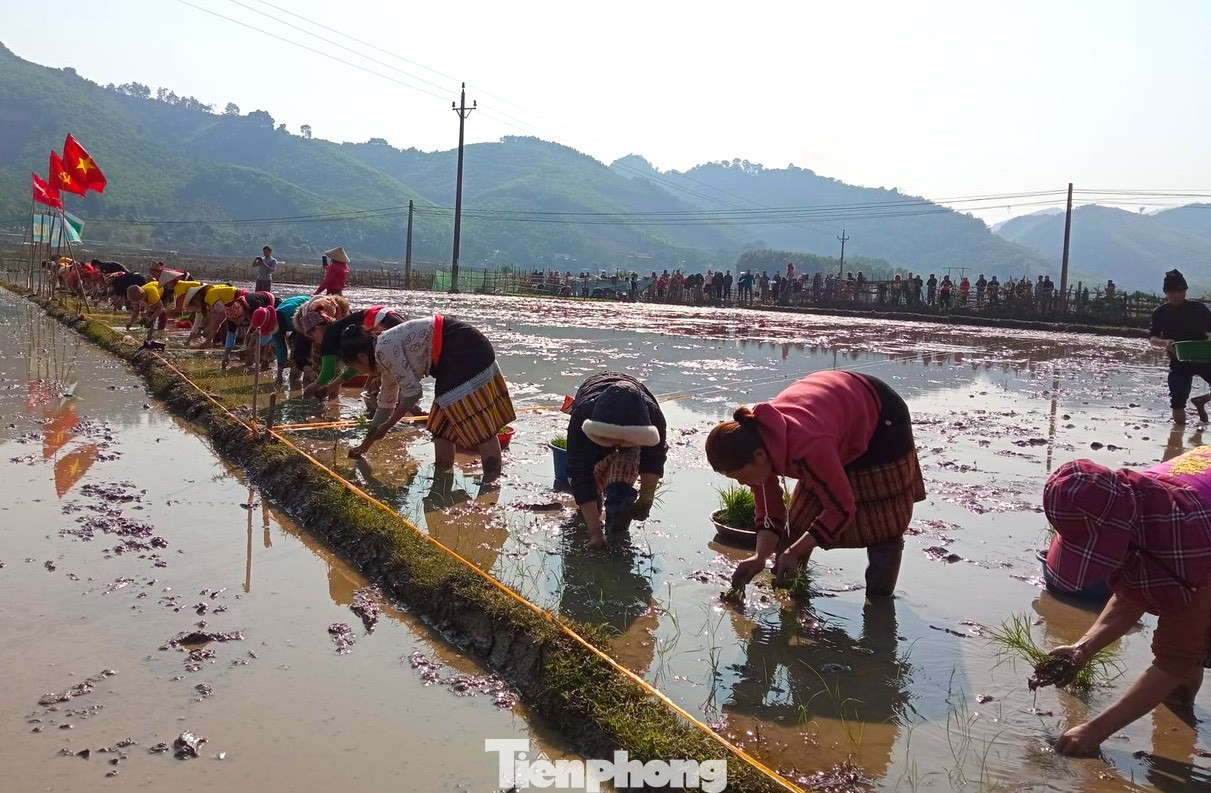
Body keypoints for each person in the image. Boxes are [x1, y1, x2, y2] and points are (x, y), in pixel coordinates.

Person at [1040, 450, 1211, 756]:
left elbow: (1175, 659)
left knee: (1191, 647)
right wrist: (1082, 649)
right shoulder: (1129, 500)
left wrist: (1095, 730)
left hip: (1202, 536)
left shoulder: (1184, 540)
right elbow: (1135, 589)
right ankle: (1176, 731)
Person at [705, 371, 925, 595]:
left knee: (883, 527)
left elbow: (841, 508)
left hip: (881, 418)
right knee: (797, 526)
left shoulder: (807, 446)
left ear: (760, 456)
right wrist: (759, 557)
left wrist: (795, 552)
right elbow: (770, 508)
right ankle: (791, 591)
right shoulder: (756, 443)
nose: (743, 483)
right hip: (832, 414)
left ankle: (879, 607)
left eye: (741, 476)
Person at [336, 314, 516, 483]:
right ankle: (442, 478)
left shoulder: (384, 349)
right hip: (451, 360)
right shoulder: (382, 358)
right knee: (441, 427)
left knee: (478, 426)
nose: (361, 373)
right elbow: (385, 405)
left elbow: (412, 394)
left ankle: (491, 482)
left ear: (361, 356)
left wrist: (388, 426)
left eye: (358, 368)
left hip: (464, 351)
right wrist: (365, 445)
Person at [565, 373, 668, 550]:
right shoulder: (582, 417)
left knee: (620, 491)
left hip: (634, 427)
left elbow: (653, 459)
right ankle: (595, 515)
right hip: (596, 424)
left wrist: (646, 498)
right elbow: (580, 472)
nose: (616, 446)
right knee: (590, 498)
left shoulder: (653, 419)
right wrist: (595, 533)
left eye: (621, 442)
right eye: (612, 440)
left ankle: (618, 526)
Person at [1149, 269, 1211, 425]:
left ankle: (1201, 400)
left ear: (1185, 291)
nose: (1175, 295)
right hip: (1179, 360)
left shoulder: (1199, 309)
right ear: (1165, 293)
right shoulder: (1160, 313)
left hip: (1203, 358)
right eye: (1171, 292)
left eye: (1179, 291)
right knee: (1177, 402)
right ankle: (1178, 441)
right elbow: (1152, 337)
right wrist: (1164, 343)